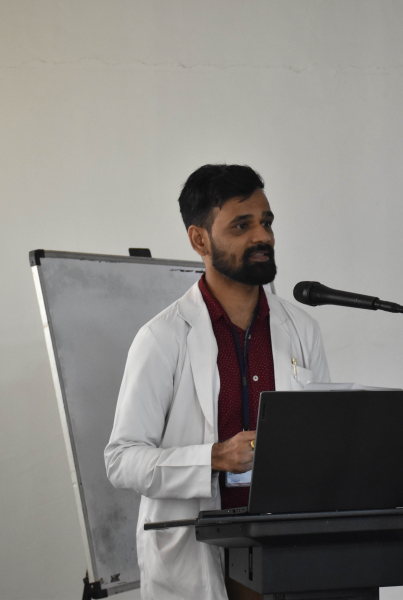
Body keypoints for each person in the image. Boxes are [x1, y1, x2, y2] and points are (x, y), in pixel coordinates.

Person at [104, 164, 330, 600]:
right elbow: (122, 460)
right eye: (241, 226)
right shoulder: (163, 337)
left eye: (266, 222)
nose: (262, 236)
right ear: (199, 240)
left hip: (283, 553)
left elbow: (321, 441)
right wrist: (213, 458)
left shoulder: (302, 329)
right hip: (199, 556)